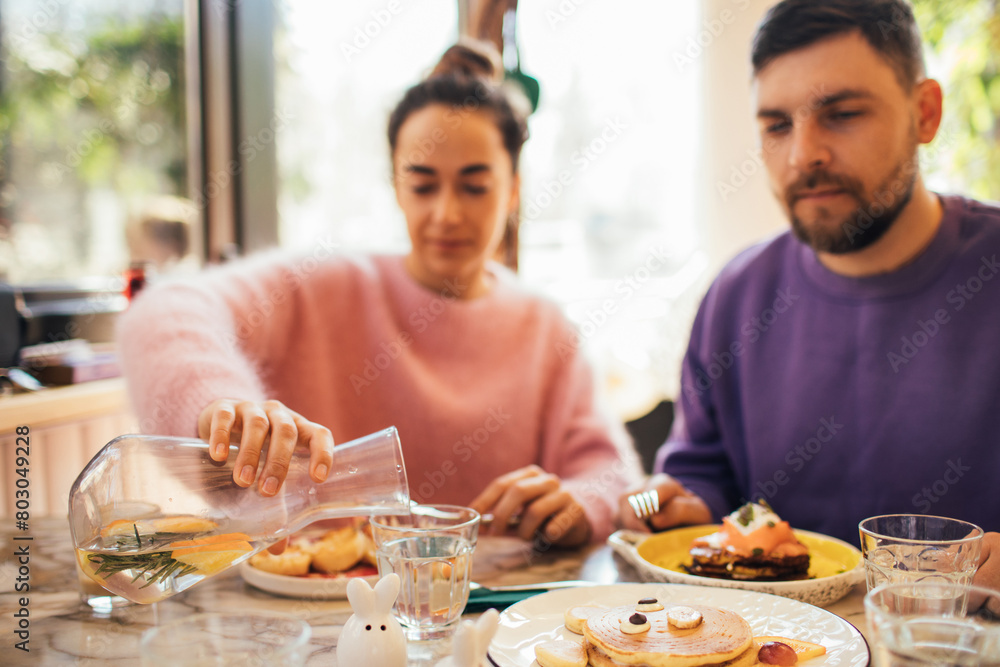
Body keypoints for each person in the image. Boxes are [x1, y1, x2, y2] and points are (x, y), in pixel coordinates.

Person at [117, 40, 641, 548]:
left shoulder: (544, 326)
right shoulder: (326, 285)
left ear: (514, 189)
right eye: (423, 184)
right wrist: (220, 403)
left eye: (475, 186)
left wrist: (575, 504)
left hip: (496, 620)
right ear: (396, 184)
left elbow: (611, 475)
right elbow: (164, 312)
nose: (447, 214)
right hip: (320, 616)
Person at [619, 0, 1000, 590]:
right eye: (776, 125)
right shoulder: (735, 298)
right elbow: (700, 480)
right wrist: (682, 511)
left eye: (842, 114)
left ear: (925, 113)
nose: (803, 155)